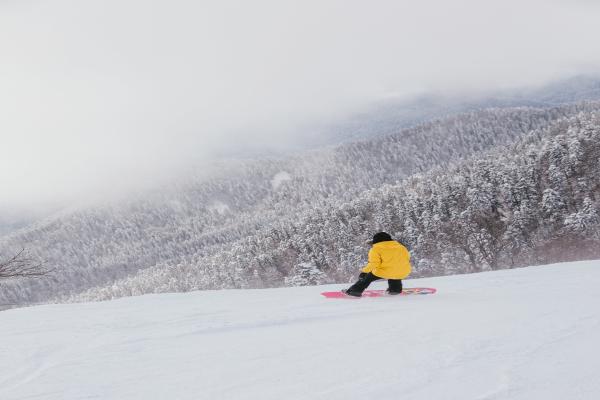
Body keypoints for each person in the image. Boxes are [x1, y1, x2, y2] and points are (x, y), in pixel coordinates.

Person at [342, 232, 411, 297]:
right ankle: (395, 290)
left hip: (385, 271)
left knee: (367, 278)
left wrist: (364, 272)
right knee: (394, 274)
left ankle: (354, 291)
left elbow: (374, 263)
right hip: (403, 271)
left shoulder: (376, 249)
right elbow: (407, 258)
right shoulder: (401, 247)